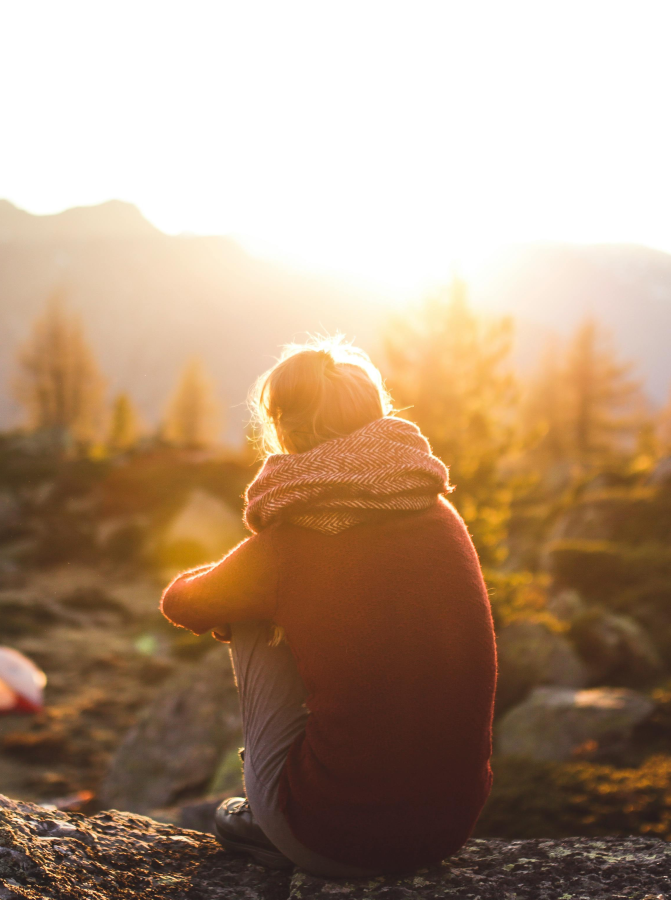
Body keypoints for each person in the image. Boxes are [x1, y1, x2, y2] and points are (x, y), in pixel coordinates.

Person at [159, 337, 497, 876]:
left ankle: (269, 811)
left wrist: (251, 588)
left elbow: (183, 603)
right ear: (375, 415)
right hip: (447, 829)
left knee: (247, 609)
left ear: (286, 430)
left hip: (331, 838)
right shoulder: (439, 513)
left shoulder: (291, 541)